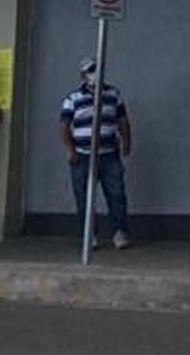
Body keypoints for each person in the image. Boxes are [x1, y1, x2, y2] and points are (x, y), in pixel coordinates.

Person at [60, 57, 132, 250]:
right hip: (82, 155)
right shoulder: (73, 98)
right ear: (82, 75)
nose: (95, 73)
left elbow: (123, 120)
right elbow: (64, 126)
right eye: (90, 70)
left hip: (108, 153)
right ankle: (89, 234)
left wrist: (126, 142)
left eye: (97, 69)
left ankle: (119, 232)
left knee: (116, 193)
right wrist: (70, 150)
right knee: (84, 196)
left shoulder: (113, 94)